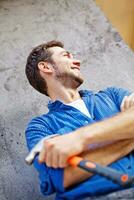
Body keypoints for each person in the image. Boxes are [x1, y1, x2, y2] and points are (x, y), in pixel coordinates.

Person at [25, 40, 134, 200]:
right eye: (66, 55)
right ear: (46, 67)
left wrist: (79, 138)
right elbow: (62, 176)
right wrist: (127, 134)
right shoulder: (40, 127)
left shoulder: (113, 95)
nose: (77, 61)